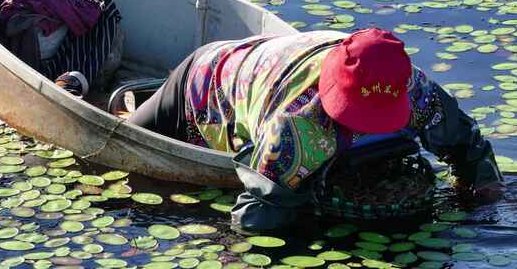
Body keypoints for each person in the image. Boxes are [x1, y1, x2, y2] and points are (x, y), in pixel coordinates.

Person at [129, 28, 505, 231]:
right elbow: (258, 218)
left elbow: (468, 147)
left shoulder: (415, 89)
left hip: (273, 59)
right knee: (131, 139)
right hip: (207, 80)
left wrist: (480, 201)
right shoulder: (298, 127)